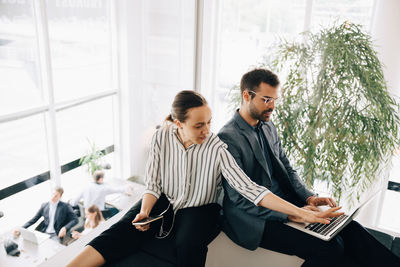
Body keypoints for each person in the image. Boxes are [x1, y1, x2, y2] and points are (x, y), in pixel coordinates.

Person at [67, 90, 341, 267]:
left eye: (209, 122)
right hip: (167, 202)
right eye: (199, 125)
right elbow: (153, 185)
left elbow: (252, 189)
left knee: (188, 245)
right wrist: (146, 211)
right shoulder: (162, 137)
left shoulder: (216, 148)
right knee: (124, 228)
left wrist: (300, 214)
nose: (207, 130)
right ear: (178, 124)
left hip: (202, 208)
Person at [218, 68, 400, 267]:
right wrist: (292, 213)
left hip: (289, 204)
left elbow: (287, 168)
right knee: (330, 248)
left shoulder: (268, 126)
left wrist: (309, 198)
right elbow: (240, 199)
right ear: (247, 95)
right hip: (255, 219)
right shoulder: (228, 138)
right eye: (266, 99)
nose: (272, 106)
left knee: (350, 229)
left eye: (275, 100)